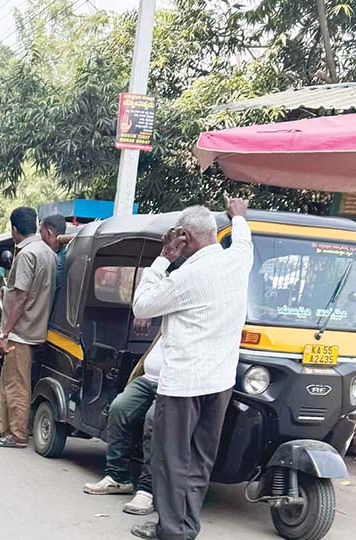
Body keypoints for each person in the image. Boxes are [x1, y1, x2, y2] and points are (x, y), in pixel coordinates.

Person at [129, 197, 253, 540]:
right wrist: (238, 217)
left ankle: (172, 531)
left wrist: (163, 258)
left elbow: (142, 305)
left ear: (185, 237)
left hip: (184, 385)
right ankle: (185, 526)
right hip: (220, 382)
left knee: (171, 462)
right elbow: (243, 238)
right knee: (199, 461)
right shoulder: (238, 260)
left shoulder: (188, 276)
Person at [0, 207, 58, 449]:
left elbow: (21, 297)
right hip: (32, 327)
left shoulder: (27, 255)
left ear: (14, 230)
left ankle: (15, 435)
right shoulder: (47, 252)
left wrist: (5, 333)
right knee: (7, 380)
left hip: (21, 330)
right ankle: (3, 427)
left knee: (17, 384)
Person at [84, 320, 161, 516]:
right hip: (148, 378)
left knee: (155, 421)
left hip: (173, 382)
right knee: (120, 408)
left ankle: (147, 489)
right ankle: (118, 476)